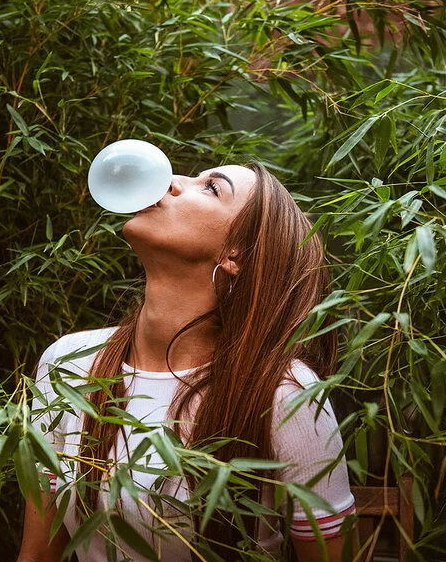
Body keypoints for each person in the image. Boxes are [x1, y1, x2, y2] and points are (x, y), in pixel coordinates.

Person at [18, 162, 356, 562]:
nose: (171, 181)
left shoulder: (285, 393)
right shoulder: (69, 364)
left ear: (236, 255)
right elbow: (38, 552)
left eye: (211, 187)